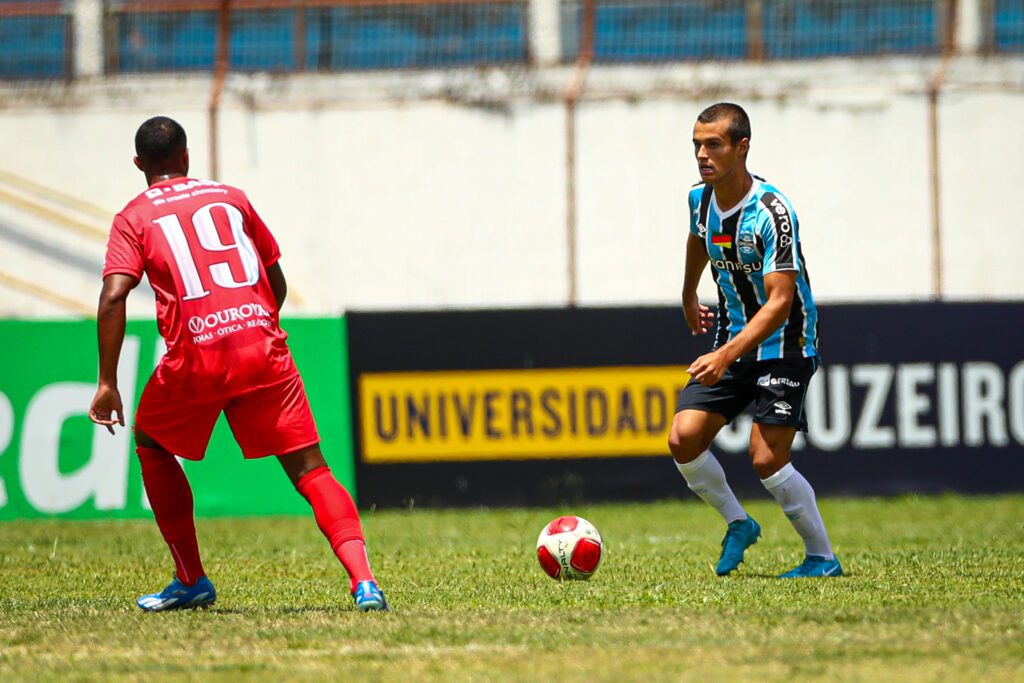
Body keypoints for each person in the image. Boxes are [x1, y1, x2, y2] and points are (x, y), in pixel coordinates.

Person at [89, 116, 389, 611]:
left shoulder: (133, 217)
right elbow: (276, 278)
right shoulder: (231, 198)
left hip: (196, 356)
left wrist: (106, 381)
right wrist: (255, 327)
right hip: (262, 347)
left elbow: (114, 294)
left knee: (152, 442)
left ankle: (190, 579)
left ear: (139, 164)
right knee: (312, 470)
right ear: (186, 157)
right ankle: (364, 585)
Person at [670, 103, 842, 578]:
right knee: (683, 438)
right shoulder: (699, 199)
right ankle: (739, 523)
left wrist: (723, 356)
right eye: (697, 146)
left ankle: (822, 558)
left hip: (785, 343)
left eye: (714, 145)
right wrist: (688, 293)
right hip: (731, 338)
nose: (702, 155)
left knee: (766, 457)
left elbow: (780, 302)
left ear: (742, 146)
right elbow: (696, 240)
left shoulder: (773, 211)